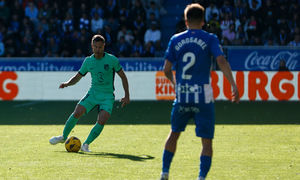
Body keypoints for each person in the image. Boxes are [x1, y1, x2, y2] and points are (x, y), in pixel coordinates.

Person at [160, 4, 239, 180]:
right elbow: (221, 61)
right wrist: (233, 85)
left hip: (183, 95)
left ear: (186, 21)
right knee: (206, 141)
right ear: (203, 21)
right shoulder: (210, 38)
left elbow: (166, 68)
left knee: (174, 133)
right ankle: (201, 177)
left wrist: (175, 83)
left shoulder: (175, 39)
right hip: (203, 97)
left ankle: (165, 172)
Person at [49, 35, 130, 152]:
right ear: (92, 46)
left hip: (107, 96)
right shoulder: (88, 61)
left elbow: (123, 76)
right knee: (77, 112)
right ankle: (63, 137)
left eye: (100, 47)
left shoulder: (112, 60)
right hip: (93, 93)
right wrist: (67, 83)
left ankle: (86, 144)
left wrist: (127, 95)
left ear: (104, 46)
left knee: (102, 119)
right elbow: (78, 76)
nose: (98, 50)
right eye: (95, 47)